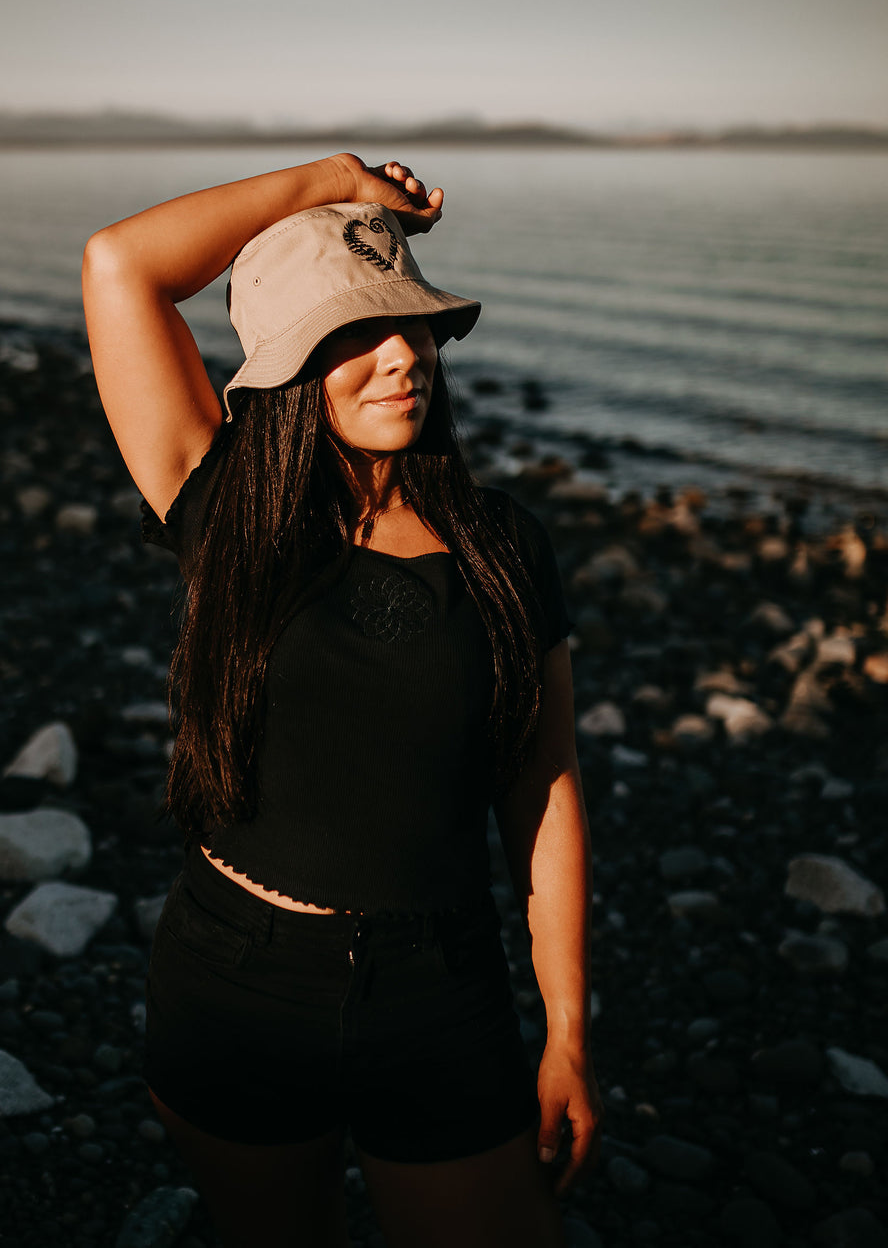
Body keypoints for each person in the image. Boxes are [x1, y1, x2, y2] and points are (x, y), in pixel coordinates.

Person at [82, 152, 602, 1248]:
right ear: (286, 368)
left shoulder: (504, 544)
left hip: (441, 991)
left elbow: (544, 790)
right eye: (353, 335)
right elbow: (120, 262)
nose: (403, 356)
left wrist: (566, 1032)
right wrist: (330, 177)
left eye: (411, 326)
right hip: (234, 983)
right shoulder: (219, 505)